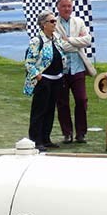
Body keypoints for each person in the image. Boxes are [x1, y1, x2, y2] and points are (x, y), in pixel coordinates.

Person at [24, 10, 67, 151]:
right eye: (52, 21)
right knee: (39, 110)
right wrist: (38, 75)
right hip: (44, 80)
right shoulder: (37, 41)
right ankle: (36, 140)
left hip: (56, 79)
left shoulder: (56, 38)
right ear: (43, 24)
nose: (55, 23)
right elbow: (29, 62)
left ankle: (46, 138)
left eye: (55, 21)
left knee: (50, 110)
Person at [54, 0, 93, 144]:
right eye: (64, 6)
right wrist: (77, 43)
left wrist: (69, 40)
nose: (67, 9)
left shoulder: (79, 22)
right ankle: (67, 133)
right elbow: (59, 45)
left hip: (77, 68)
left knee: (81, 100)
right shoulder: (54, 23)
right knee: (62, 102)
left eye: (69, 6)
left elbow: (88, 40)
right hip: (61, 69)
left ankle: (81, 133)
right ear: (58, 7)